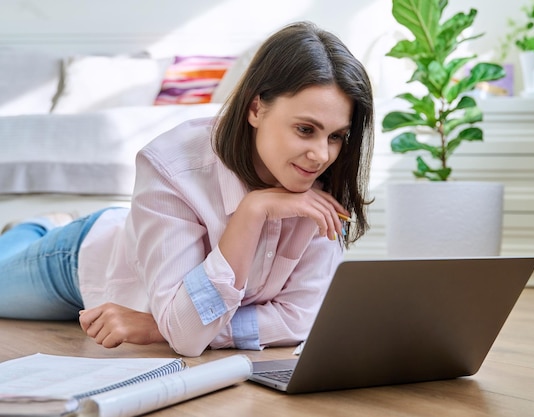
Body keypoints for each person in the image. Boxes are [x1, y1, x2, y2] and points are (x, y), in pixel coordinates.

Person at [0, 21, 374, 357]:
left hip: (135, 283)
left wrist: (157, 327)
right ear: (256, 109)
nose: (321, 155)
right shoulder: (172, 165)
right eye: (305, 129)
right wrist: (252, 212)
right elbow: (188, 337)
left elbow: (298, 319)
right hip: (80, 262)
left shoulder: (324, 189)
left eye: (337, 136)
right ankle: (36, 228)